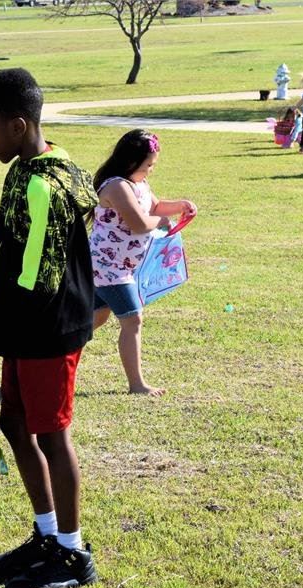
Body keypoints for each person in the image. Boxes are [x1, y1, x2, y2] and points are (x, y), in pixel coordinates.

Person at [0, 69, 99, 588]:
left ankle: (72, 553)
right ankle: (47, 535)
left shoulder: (43, 185)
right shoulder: (27, 169)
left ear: (17, 125)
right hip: (24, 325)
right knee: (15, 424)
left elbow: (36, 283)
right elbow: (9, 263)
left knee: (52, 435)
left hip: (48, 330)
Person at [90, 130, 197, 397]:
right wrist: (162, 221)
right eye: (148, 165)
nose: (150, 170)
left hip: (120, 267)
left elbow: (155, 207)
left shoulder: (138, 184)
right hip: (108, 268)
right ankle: (137, 384)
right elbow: (139, 223)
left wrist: (181, 206)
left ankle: (53, 354)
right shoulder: (117, 186)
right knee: (133, 320)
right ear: (130, 162)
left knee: (94, 318)